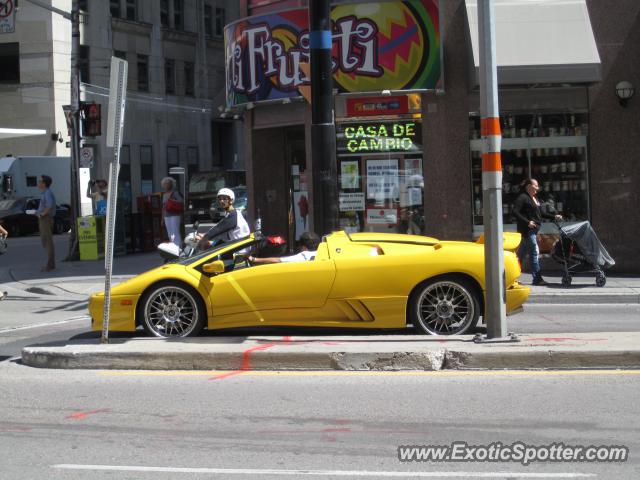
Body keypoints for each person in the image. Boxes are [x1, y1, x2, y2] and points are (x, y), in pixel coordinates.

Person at [512, 178, 562, 286]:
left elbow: (540, 214)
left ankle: (511, 277)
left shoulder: (534, 198)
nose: (537, 188)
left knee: (520, 255)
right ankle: (537, 279)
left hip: (532, 231)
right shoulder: (523, 197)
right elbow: (515, 212)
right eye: (536, 185)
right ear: (529, 186)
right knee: (534, 253)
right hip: (527, 231)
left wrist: (554, 217)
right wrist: (527, 222)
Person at [249, 231, 320, 264]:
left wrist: (254, 259)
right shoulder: (320, 253)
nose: (300, 249)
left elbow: (278, 260)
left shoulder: (304, 256)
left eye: (300, 247)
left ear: (304, 247)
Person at [36, 175, 56, 272]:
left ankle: (50, 265)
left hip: (46, 219)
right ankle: (50, 264)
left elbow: (50, 205)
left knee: (47, 241)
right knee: (45, 241)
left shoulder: (47, 193)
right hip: (44, 218)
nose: (38, 183)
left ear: (44, 184)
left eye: (40, 182)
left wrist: (42, 214)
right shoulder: (45, 193)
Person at [161, 177, 183, 248]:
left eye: (168, 184)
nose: (166, 185)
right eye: (165, 184)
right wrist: (162, 219)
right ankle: (173, 247)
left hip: (175, 215)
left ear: (171, 184)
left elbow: (181, 201)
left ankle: (178, 247)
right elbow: (163, 208)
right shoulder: (164, 195)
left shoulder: (175, 193)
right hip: (167, 216)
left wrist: (172, 200)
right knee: (170, 233)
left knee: (175, 231)